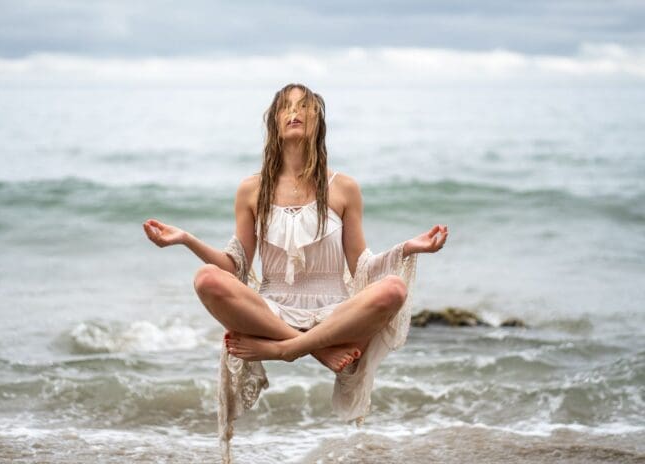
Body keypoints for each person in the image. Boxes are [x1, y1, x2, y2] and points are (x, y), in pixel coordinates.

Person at [143, 83, 448, 461]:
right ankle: (315, 350)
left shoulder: (344, 188)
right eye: (286, 106)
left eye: (305, 106)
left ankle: (285, 349)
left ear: (319, 122)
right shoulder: (251, 189)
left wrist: (408, 248)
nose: (295, 112)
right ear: (274, 122)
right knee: (205, 278)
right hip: (273, 310)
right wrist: (186, 239)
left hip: (333, 312)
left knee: (393, 290)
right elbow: (234, 267)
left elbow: (362, 268)